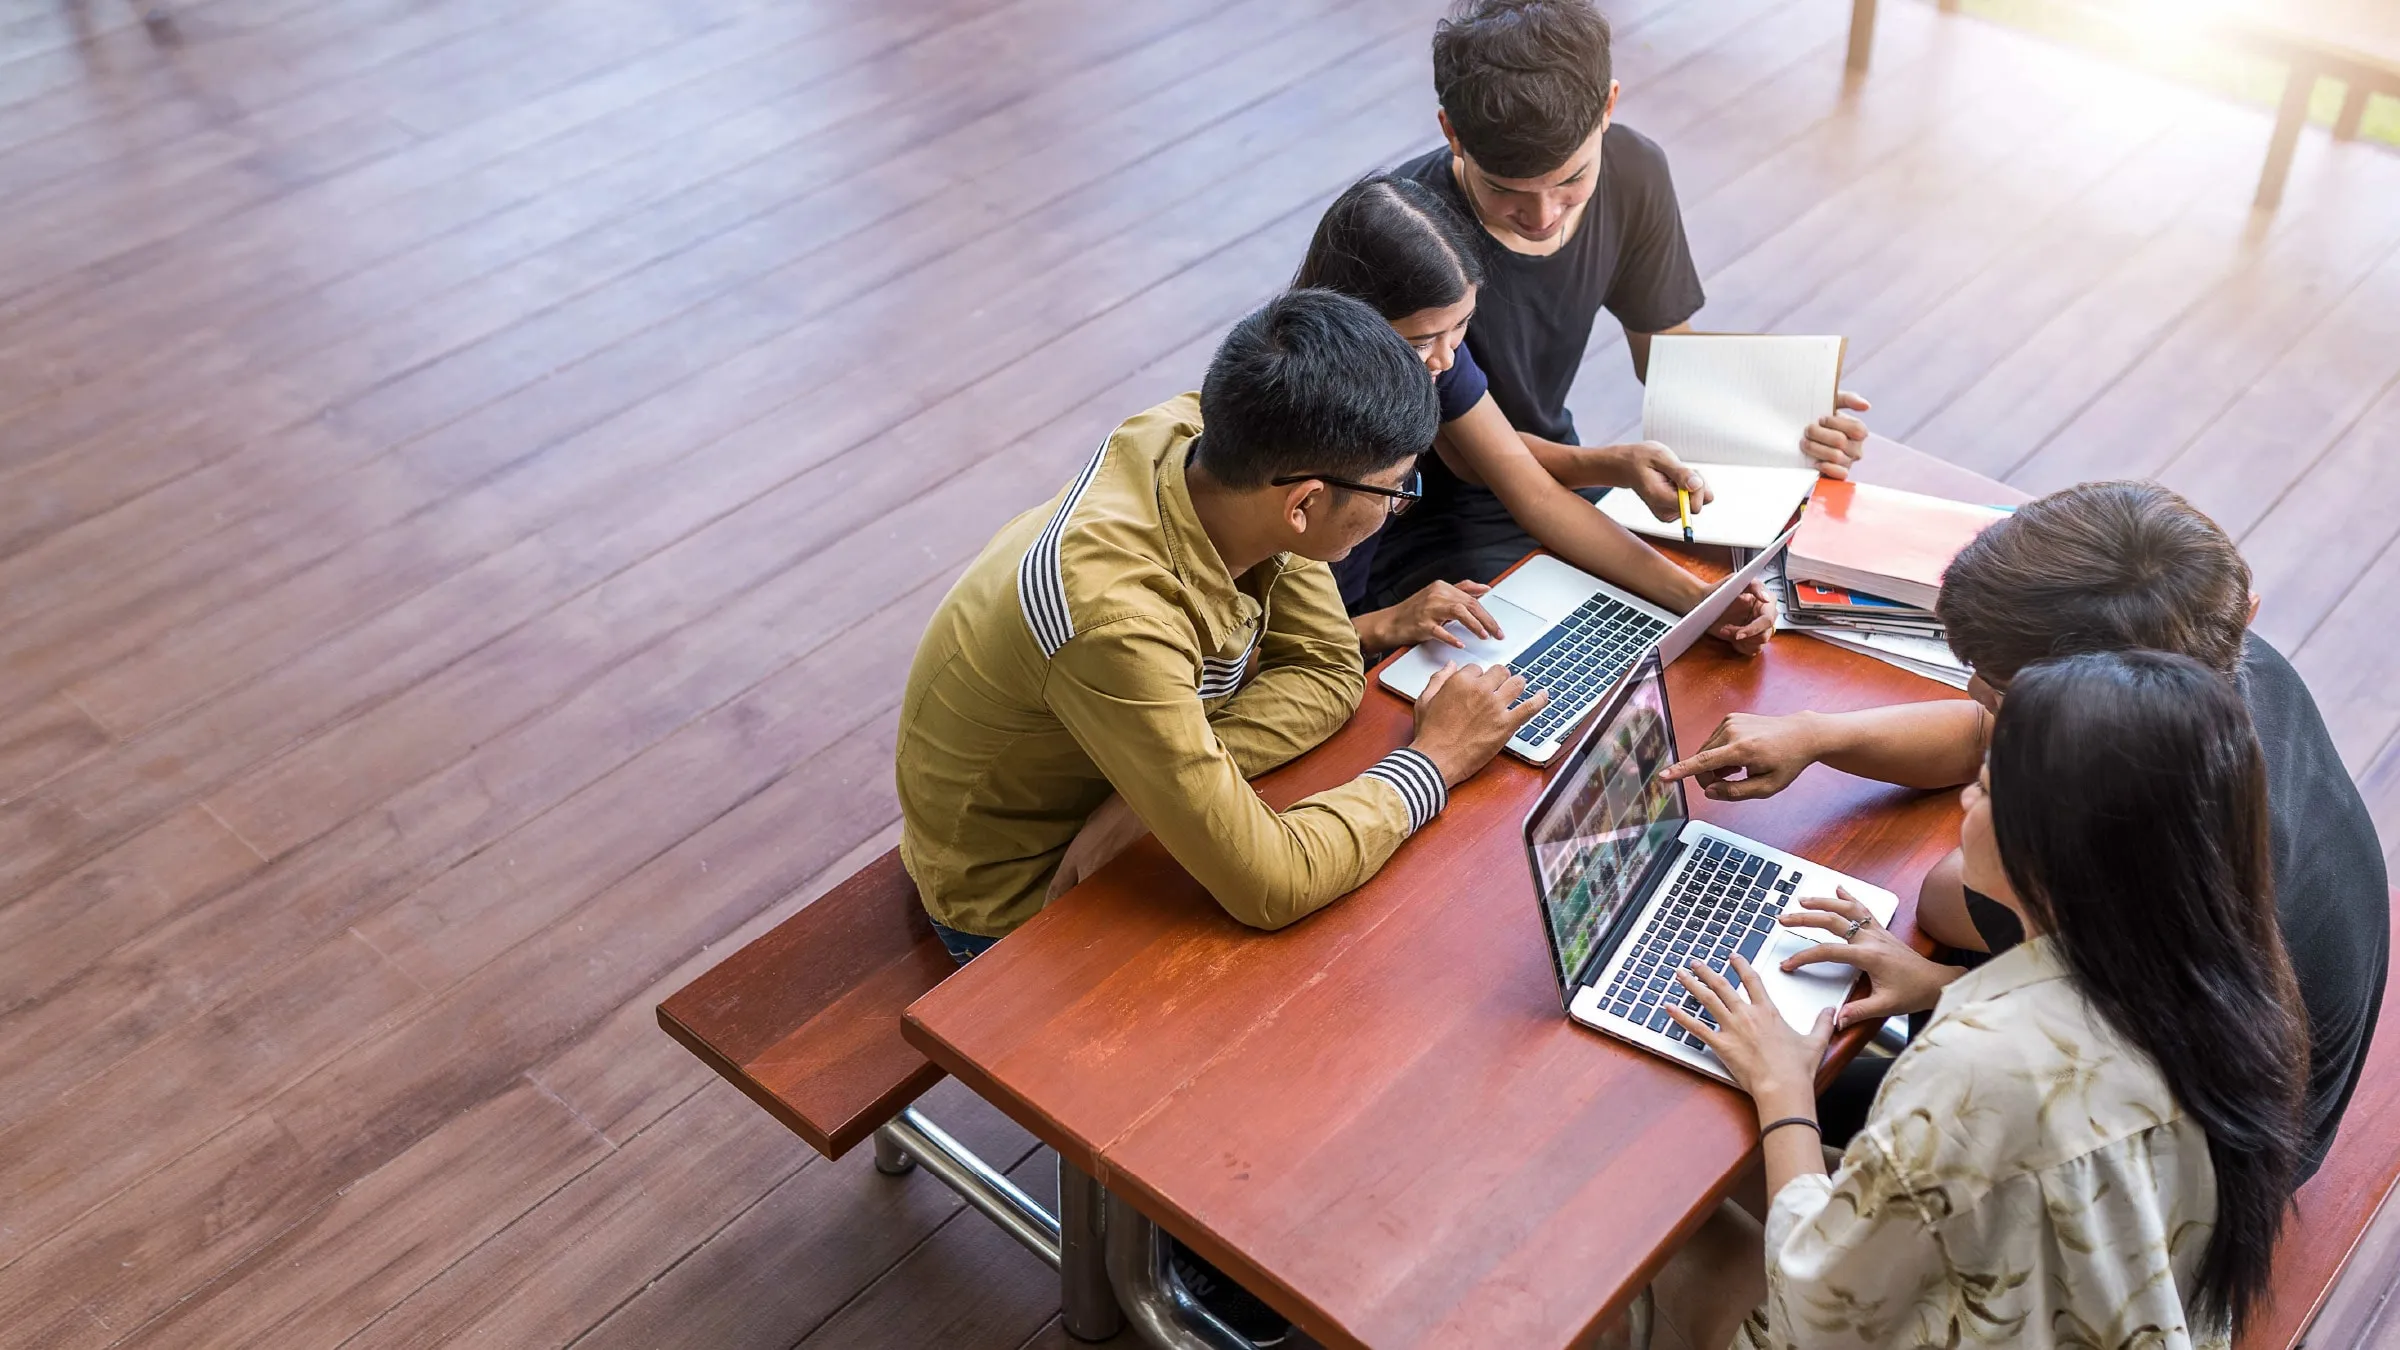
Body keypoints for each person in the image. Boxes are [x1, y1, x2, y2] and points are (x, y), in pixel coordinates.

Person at [1662, 481, 2388, 1181]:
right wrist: (1816, 734)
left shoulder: (2150, 848)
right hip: (2169, 1062)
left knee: (1709, 1134)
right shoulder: (2212, 666)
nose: (1974, 696)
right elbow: (1982, 733)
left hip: (2187, 1156)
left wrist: (1941, 996)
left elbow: (1948, 899)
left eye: (2001, 689)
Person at [1643, 650, 2307, 1349]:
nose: (1966, 800)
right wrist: (1939, 985)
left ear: (2055, 851)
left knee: (1660, 1213)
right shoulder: (2231, 976)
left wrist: (1783, 1091)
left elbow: (1816, 1310)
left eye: (1985, 791)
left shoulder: (1979, 1063)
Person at [894, 287, 1544, 966]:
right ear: (1305, 506)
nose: (1395, 509)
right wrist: (1434, 761)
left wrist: (1143, 802)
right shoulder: (1116, 621)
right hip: (1024, 898)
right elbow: (1275, 885)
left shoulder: (1214, 445)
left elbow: (1326, 668)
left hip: (1105, 796)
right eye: (1396, 489)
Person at [1370, 0, 1873, 601]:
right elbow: (1476, 463)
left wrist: (1790, 411)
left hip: (1565, 478)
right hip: (1419, 519)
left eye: (1570, 180)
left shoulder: (1635, 172)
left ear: (1608, 106)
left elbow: (1661, 356)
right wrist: (1616, 468)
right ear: (1451, 130)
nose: (1543, 215)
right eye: (1506, 191)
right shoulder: (1411, 236)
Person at [1293, 174, 1772, 659]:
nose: (1445, 359)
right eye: (1421, 343)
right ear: (1350, 321)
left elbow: (1533, 490)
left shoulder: (1432, 361)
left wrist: (1700, 601)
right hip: (1319, 642)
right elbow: (1248, 646)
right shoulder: (1289, 421)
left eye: (1460, 326)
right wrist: (1385, 625)